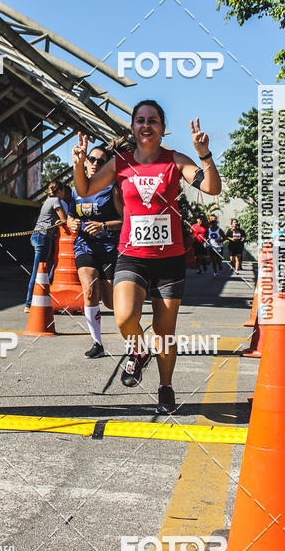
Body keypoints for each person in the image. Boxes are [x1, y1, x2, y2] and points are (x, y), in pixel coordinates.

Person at [72, 100, 221, 414]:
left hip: (169, 260)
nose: (146, 125)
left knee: (165, 334)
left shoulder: (175, 161)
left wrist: (203, 154)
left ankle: (165, 386)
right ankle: (139, 352)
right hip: (132, 255)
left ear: (162, 128)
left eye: (153, 120)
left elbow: (211, 187)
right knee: (125, 318)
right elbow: (84, 189)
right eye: (140, 120)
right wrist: (79, 161)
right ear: (132, 127)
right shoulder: (120, 163)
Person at [67, 145, 123, 359]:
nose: (95, 164)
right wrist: (71, 223)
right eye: (92, 159)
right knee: (89, 291)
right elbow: (72, 216)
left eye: (101, 161)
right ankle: (97, 343)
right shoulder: (77, 188)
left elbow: (125, 220)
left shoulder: (113, 188)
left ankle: (135, 340)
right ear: (86, 161)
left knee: (111, 302)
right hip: (85, 246)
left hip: (109, 248)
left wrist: (104, 226)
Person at [25, 180, 67, 312]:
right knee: (38, 272)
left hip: (37, 236)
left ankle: (41, 296)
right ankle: (29, 303)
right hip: (43, 237)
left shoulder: (47, 201)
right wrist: (62, 221)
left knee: (47, 268)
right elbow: (65, 219)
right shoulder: (55, 201)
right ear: (59, 191)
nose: (64, 193)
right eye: (63, 191)